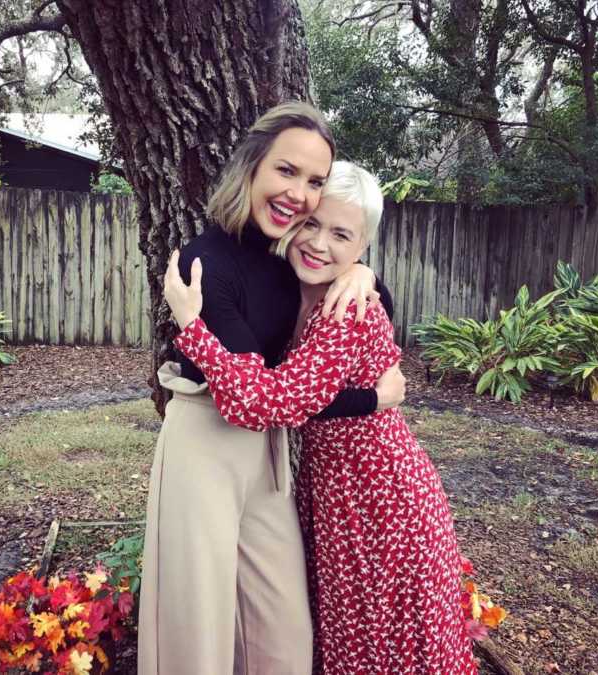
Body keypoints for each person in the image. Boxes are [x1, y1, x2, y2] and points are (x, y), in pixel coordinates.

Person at [164, 161, 476, 674]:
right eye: (311, 224)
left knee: (381, 641)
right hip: (339, 490)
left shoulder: (345, 310)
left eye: (341, 235)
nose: (319, 244)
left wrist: (192, 327)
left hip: (379, 500)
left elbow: (271, 403)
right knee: (353, 631)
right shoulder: (287, 289)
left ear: (362, 246)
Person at [137, 103, 406, 675]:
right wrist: (371, 400)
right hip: (207, 438)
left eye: (313, 181)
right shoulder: (204, 263)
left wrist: (365, 275)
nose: (299, 194)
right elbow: (247, 395)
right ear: (252, 165)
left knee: (282, 627)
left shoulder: (285, 253)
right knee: (199, 622)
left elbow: (350, 282)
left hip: (268, 445)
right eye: (287, 171)